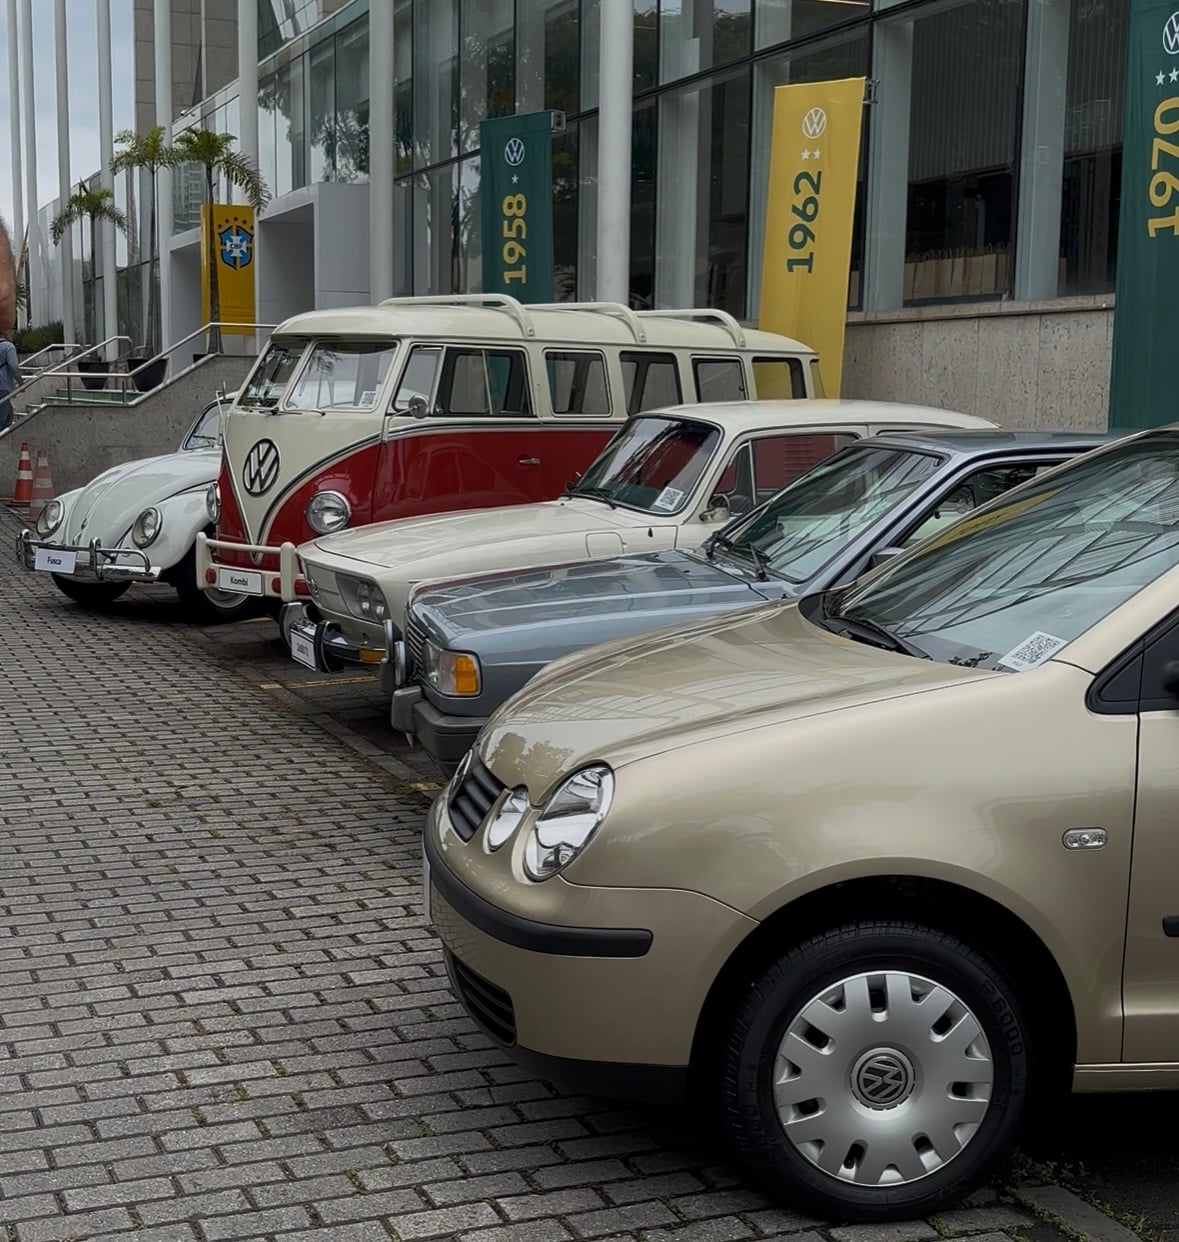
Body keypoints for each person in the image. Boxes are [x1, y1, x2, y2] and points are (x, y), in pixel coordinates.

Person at [0, 330, 20, 433]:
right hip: (3, 387)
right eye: (13, 331)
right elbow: (14, 367)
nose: (14, 334)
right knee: (2, 418)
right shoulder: (8, 347)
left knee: (8, 415)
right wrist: (21, 382)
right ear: (6, 332)